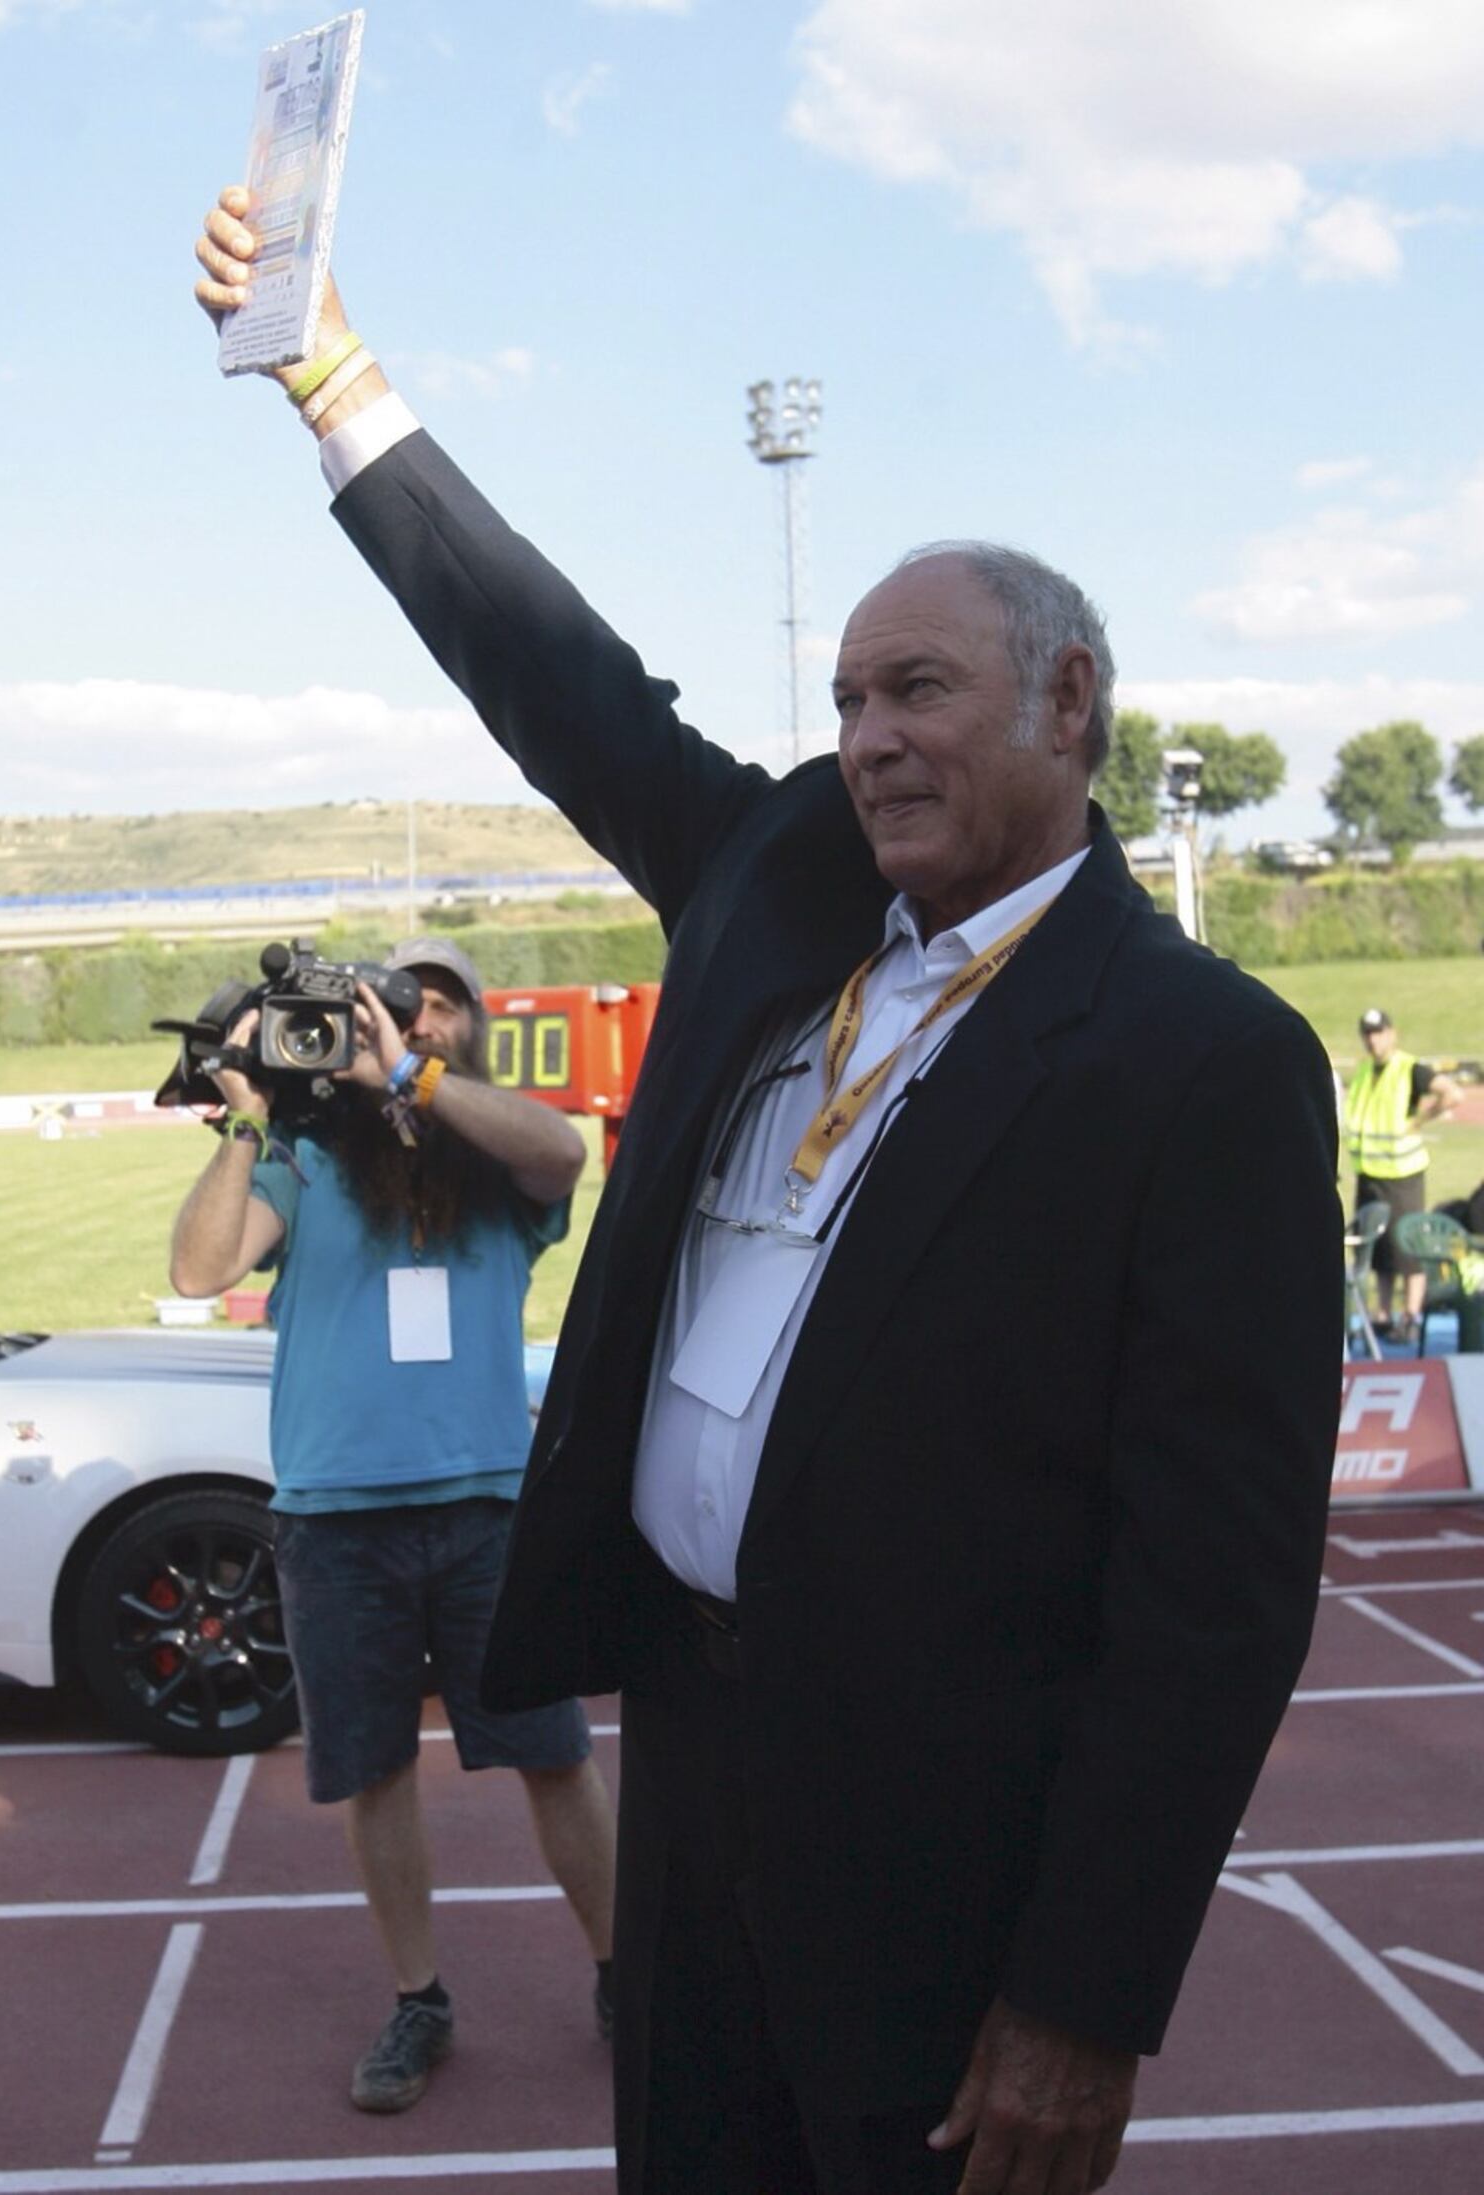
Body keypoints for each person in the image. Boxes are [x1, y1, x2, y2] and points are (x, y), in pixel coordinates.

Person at [190, 189, 1340, 2195]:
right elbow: (557, 678)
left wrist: (1088, 1990)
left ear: (1067, 703)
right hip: (693, 1773)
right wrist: (335, 385)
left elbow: (1214, 1592)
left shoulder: (1204, 1062)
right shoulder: (782, 894)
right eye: (842, 703)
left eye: (918, 692)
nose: (866, 739)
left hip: (944, 1846)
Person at [166, 936, 615, 2114]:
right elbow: (202, 1267)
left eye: (438, 1007)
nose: (413, 1021)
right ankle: (418, 1997)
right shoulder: (307, 1158)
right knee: (373, 1774)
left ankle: (627, 1974)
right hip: (335, 1515)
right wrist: (249, 1116)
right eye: (394, 1004)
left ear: (470, 1029)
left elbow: (563, 1150)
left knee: (555, 1756)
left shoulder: (489, 1158)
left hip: (484, 1506)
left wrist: (406, 1078)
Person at [1343, 1006, 1457, 1337]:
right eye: (1367, 1033)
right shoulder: (1365, 1071)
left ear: (1392, 1034)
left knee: (1407, 1249)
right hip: (1369, 1173)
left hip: (1402, 1174)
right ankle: (1382, 1314)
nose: (1372, 1040)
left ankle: (1410, 1316)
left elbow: (1451, 1093)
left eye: (1378, 1033)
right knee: (1377, 1251)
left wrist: (1420, 1120)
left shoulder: (1409, 1069)